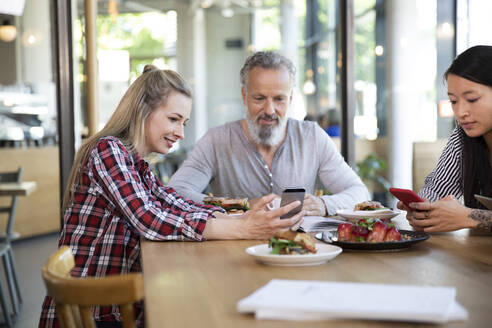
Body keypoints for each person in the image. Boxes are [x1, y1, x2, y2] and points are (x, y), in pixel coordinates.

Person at [39, 66, 303, 328]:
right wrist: (240, 226)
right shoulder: (108, 151)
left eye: (183, 123)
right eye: (174, 119)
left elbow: (172, 203)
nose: (180, 133)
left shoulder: (137, 164)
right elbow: (149, 218)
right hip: (97, 313)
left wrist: (239, 216)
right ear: (143, 110)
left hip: (114, 307)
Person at [168, 51, 369, 216]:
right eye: (259, 98)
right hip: (234, 252)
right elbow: (175, 193)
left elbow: (360, 193)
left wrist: (324, 204)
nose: (270, 110)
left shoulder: (312, 137)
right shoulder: (217, 140)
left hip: (298, 252)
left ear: (290, 99)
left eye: (279, 99)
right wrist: (239, 205)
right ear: (244, 96)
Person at [398, 45, 492, 233]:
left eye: (472, 99)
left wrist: (468, 217)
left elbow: (465, 217)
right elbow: (436, 189)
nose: (460, 112)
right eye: (454, 101)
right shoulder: (463, 137)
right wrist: (424, 209)